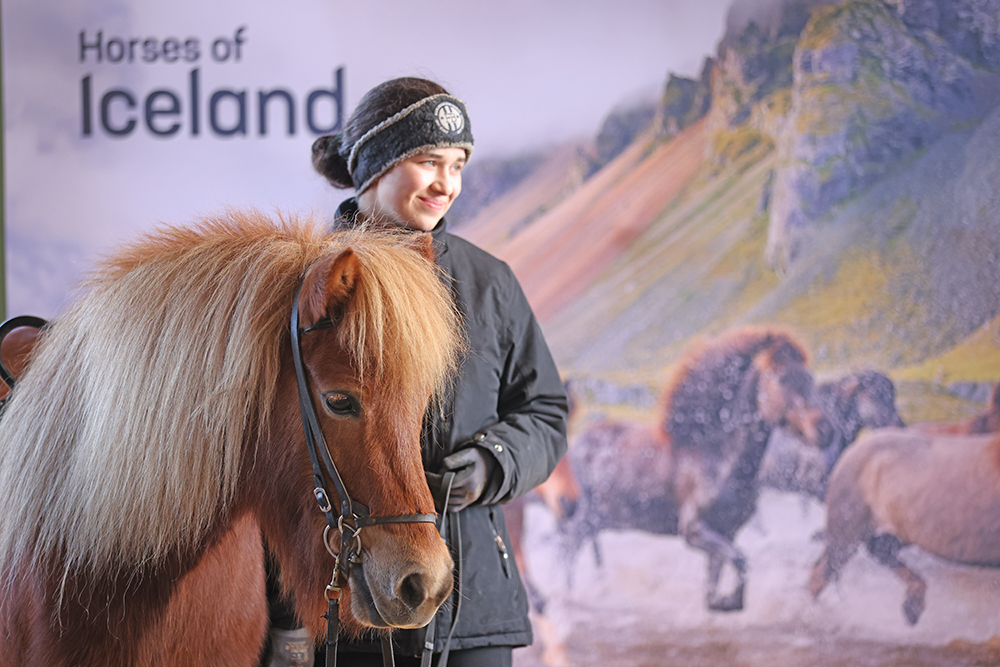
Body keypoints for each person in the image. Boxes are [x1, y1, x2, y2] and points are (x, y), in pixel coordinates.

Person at [264, 77, 569, 667]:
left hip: (470, 608)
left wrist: (491, 463)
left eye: (456, 165)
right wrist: (287, 627)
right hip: (345, 607)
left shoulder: (489, 283)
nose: (446, 184)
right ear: (377, 165)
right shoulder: (302, 289)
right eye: (428, 161)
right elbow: (269, 461)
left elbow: (545, 412)